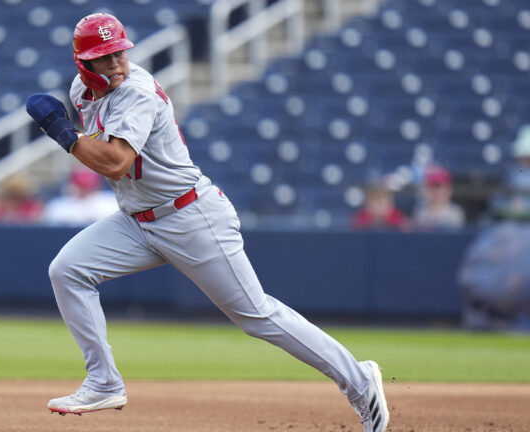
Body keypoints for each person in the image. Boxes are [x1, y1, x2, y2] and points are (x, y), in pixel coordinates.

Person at [26, 13, 390, 432]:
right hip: (136, 220)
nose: (116, 63)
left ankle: (359, 380)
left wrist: (63, 132)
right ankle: (103, 382)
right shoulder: (82, 90)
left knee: (256, 315)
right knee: (68, 270)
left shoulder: (136, 92)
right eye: (104, 57)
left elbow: (116, 162)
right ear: (84, 63)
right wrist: (70, 133)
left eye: (119, 52)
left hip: (189, 215)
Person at [43, 165, 119, 226]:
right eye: (82, 188)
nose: (85, 191)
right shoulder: (58, 205)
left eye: (88, 188)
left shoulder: (111, 202)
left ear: (97, 185)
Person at [412, 165, 465, 230]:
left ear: (449, 190)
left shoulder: (455, 212)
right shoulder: (421, 213)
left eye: (441, 188)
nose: (438, 193)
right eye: (433, 188)